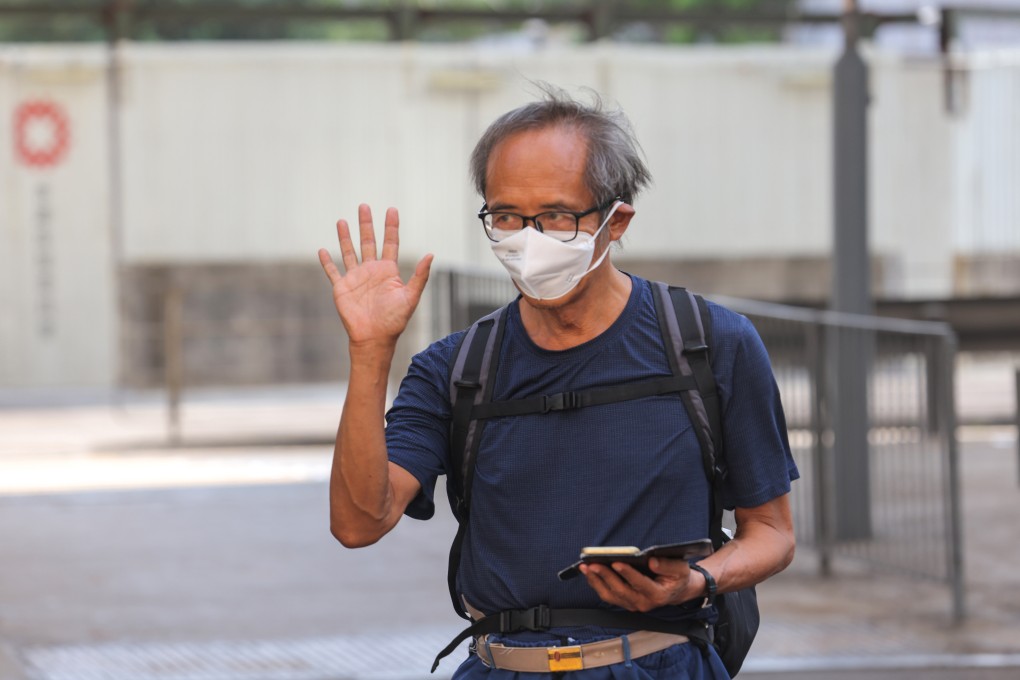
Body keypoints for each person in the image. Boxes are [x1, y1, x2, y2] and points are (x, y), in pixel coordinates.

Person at [318, 87, 798, 679]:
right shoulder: (456, 368)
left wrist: (697, 580)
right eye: (506, 217)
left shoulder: (711, 344)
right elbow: (358, 522)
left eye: (555, 216)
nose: (528, 239)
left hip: (658, 666)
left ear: (615, 221)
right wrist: (370, 352)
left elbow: (772, 532)